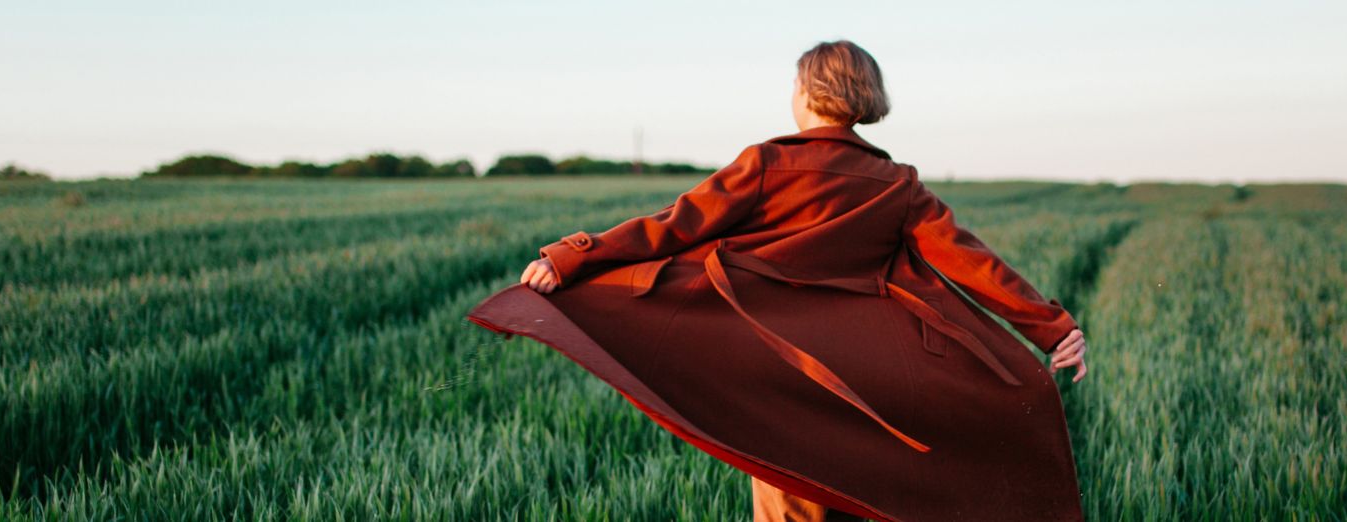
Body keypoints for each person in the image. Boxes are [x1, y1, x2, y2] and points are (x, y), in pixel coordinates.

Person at [467, 40, 1090, 521]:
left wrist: (576, 257)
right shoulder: (899, 184)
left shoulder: (767, 162)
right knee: (854, 496)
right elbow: (971, 262)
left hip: (782, 375)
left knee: (791, 503)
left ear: (811, 92)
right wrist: (1052, 326)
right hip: (865, 385)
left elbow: (673, 227)